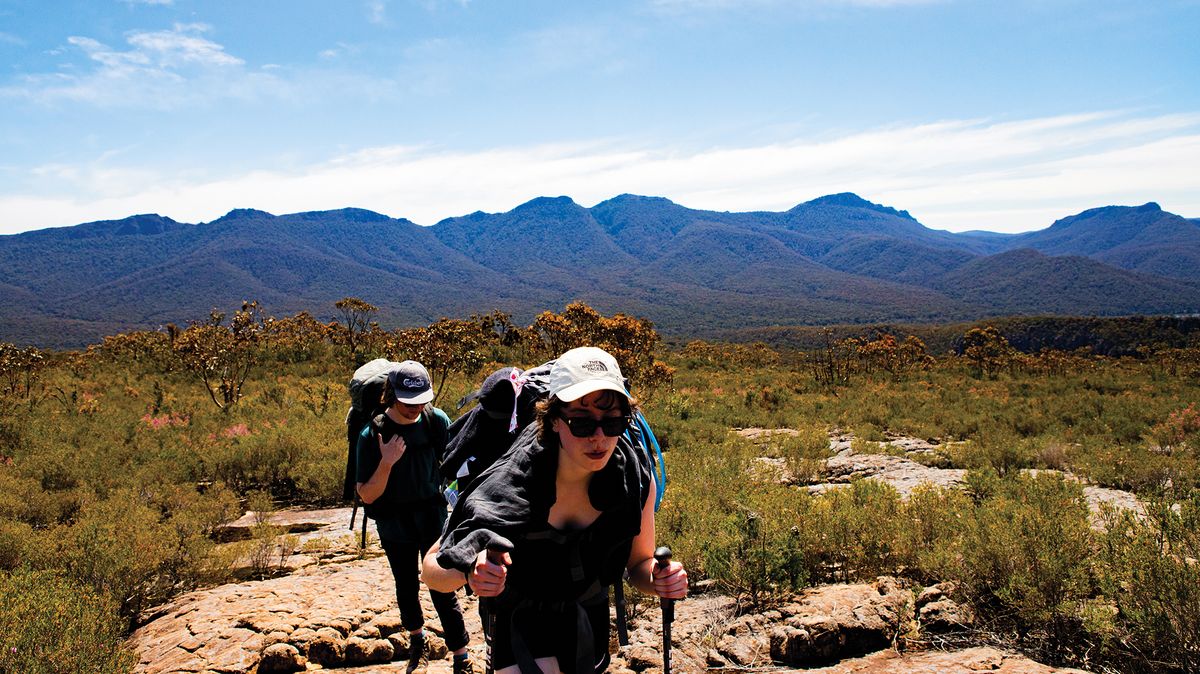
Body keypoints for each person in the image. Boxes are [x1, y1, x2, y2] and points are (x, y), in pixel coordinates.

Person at [422, 347, 687, 674]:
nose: (599, 438)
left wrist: (661, 579)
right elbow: (431, 569)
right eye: (581, 424)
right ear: (554, 421)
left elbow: (638, 566)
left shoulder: (632, 480)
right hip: (518, 619)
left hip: (587, 617)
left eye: (614, 422)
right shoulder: (508, 486)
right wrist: (471, 572)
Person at [356, 360, 472, 674]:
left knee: (443, 586)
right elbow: (366, 494)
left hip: (432, 517)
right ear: (391, 395)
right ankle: (417, 642)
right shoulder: (373, 433)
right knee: (406, 585)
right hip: (394, 523)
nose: (416, 407)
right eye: (409, 401)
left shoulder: (436, 421)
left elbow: (454, 465)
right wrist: (388, 461)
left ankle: (461, 657)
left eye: (421, 399)